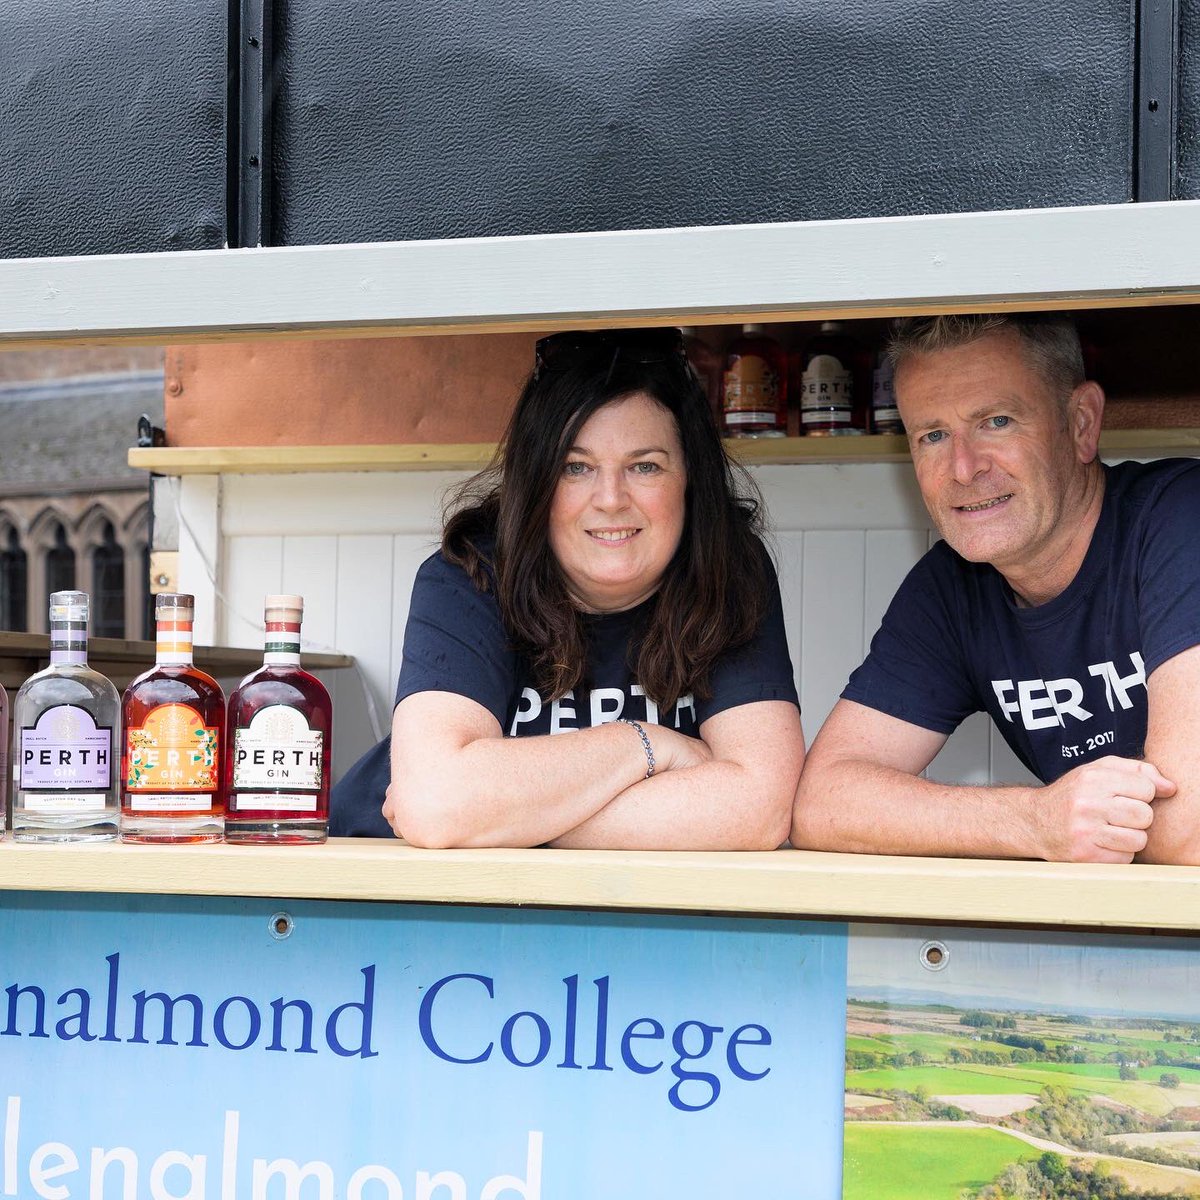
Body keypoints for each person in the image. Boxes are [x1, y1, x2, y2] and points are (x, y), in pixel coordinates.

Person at [332, 327, 804, 848]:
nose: (610, 498)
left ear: (690, 479)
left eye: (644, 466)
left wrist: (501, 816)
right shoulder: (472, 571)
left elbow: (761, 808)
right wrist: (643, 745)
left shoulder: (727, 570)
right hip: (388, 895)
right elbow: (437, 802)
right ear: (537, 481)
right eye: (576, 467)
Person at [791, 312, 1200, 865]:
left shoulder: (1180, 519)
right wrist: (1033, 822)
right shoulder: (953, 584)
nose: (963, 469)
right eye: (933, 435)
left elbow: (1186, 828)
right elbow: (824, 803)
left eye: (997, 421)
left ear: (1081, 423)